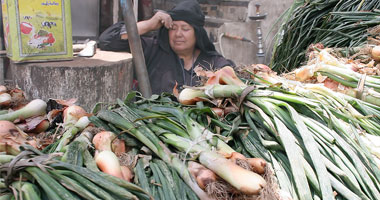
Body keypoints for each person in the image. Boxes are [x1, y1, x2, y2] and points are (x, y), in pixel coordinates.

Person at [99, 0, 235, 95]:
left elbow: (233, 79)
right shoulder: (153, 49)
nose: (178, 34)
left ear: (197, 33)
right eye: (173, 28)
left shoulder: (211, 61)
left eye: (185, 29)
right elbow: (108, 40)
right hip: (152, 127)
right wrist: (150, 25)